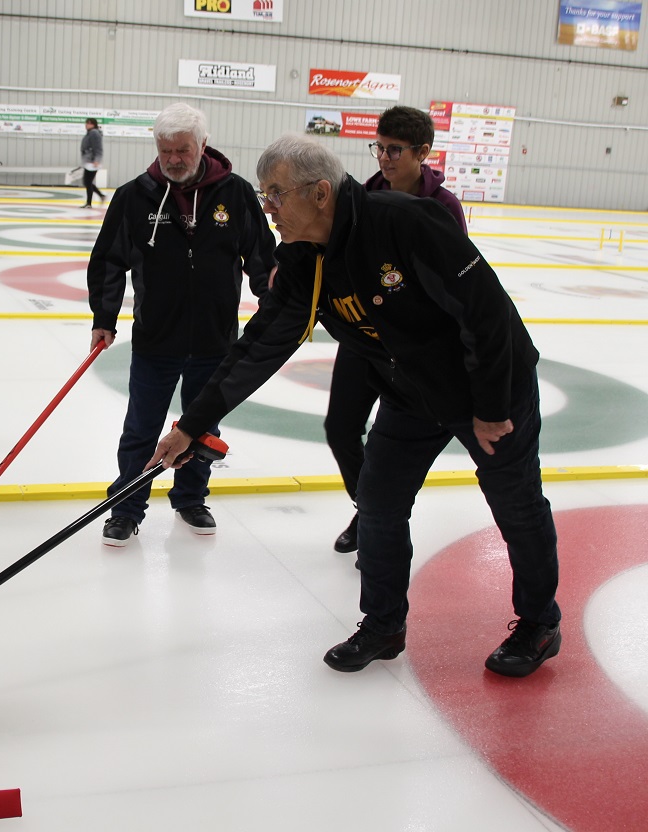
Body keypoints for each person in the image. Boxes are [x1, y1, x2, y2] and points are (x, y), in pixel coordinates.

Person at [148, 133, 561, 679]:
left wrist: (488, 405)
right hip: (410, 394)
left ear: (320, 193)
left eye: (276, 194)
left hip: (488, 387)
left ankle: (539, 623)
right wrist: (191, 425)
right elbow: (261, 343)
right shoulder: (302, 259)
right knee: (379, 505)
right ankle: (383, 624)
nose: (267, 208)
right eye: (263, 193)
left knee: (515, 504)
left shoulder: (406, 223)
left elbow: (485, 313)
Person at [88, 102, 276, 545]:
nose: (173, 158)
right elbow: (109, 260)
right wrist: (104, 317)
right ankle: (127, 508)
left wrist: (272, 306)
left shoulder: (236, 192)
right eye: (165, 149)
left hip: (214, 339)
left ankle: (191, 497)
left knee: (203, 428)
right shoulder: (136, 196)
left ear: (203, 145)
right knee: (140, 429)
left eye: (183, 150)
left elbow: (262, 255)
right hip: (157, 337)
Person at [327, 106, 468, 556]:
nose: (383, 158)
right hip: (363, 335)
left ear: (422, 153)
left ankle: (374, 514)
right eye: (379, 147)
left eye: (394, 150)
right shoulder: (360, 196)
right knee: (340, 427)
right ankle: (366, 508)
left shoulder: (442, 207)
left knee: (399, 440)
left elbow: (458, 281)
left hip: (410, 347)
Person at [80, 117, 105, 208]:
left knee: (87, 182)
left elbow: (98, 148)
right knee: (87, 182)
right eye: (86, 123)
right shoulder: (90, 133)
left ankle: (90, 202)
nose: (86, 125)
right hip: (89, 161)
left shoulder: (94, 133)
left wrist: (96, 160)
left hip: (92, 162)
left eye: (89, 123)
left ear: (93, 124)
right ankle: (100, 196)